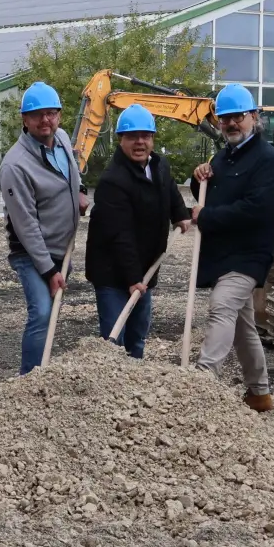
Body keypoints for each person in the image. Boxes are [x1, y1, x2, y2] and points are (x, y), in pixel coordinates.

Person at [190, 84, 274, 412]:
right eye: (225, 118)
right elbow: (214, 192)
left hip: (249, 253)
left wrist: (207, 217)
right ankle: (259, 393)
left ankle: (202, 380)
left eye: (238, 117)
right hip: (224, 253)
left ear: (254, 117)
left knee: (221, 307)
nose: (232, 124)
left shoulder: (268, 160)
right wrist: (199, 177)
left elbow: (255, 209)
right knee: (243, 326)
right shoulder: (224, 155)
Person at [85, 104, 191, 358]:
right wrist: (133, 279)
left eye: (145, 136)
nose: (140, 142)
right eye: (132, 136)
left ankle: (136, 379)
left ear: (153, 139)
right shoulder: (113, 180)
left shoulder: (159, 165)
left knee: (138, 335)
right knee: (113, 339)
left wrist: (180, 215)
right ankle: (111, 387)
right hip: (112, 271)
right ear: (121, 139)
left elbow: (170, 191)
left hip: (145, 267)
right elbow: (119, 235)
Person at [0, 81, 88, 374]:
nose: (45, 120)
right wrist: (49, 271)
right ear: (25, 119)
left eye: (51, 113)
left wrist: (80, 191)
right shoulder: (15, 165)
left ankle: (43, 371)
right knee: (41, 312)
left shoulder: (62, 139)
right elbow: (25, 224)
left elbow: (72, 170)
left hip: (62, 248)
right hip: (32, 252)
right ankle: (28, 381)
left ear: (59, 116)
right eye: (37, 114)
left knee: (51, 316)